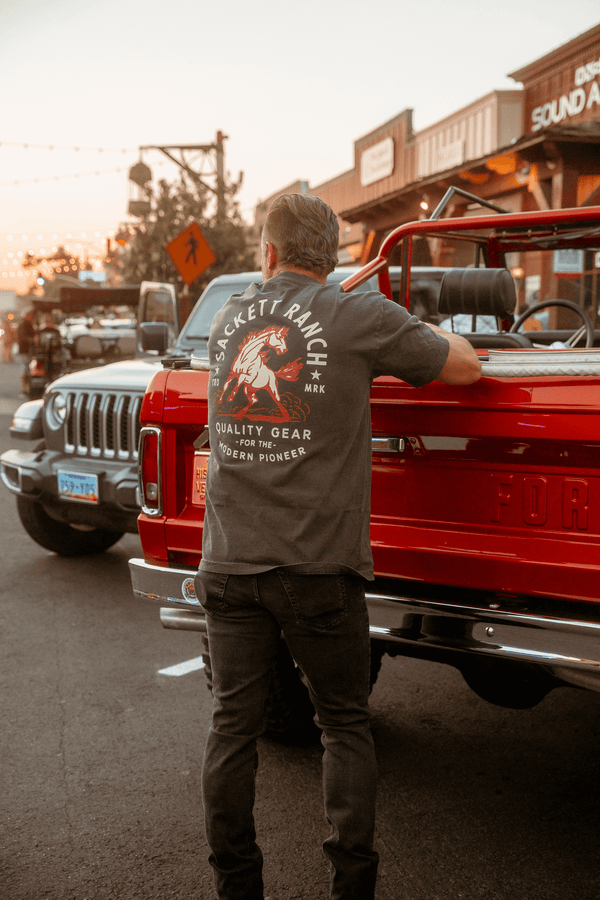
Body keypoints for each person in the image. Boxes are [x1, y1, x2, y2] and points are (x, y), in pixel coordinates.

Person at [194, 193, 481, 900]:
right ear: (334, 256)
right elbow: (464, 368)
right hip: (317, 568)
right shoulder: (359, 315)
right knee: (344, 725)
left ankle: (237, 886)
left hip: (227, 562)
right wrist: (427, 328)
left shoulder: (227, 320)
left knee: (231, 729)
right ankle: (352, 887)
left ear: (268, 253)